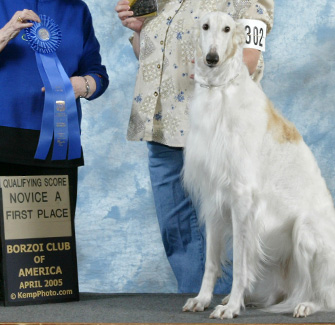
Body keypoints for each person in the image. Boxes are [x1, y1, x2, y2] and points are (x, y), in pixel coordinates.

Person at [115, 0, 274, 293]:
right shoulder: (160, 1)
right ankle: (196, 302)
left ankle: (224, 304)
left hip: (217, 130)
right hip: (162, 129)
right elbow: (150, 60)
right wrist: (140, 32)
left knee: (221, 229)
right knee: (177, 234)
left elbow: (250, 59)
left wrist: (208, 70)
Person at [0, 1, 109, 221]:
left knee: (54, 248)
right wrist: (6, 32)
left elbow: (97, 74)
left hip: (59, 146)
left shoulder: (77, 10)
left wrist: (83, 85)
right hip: (4, 143)